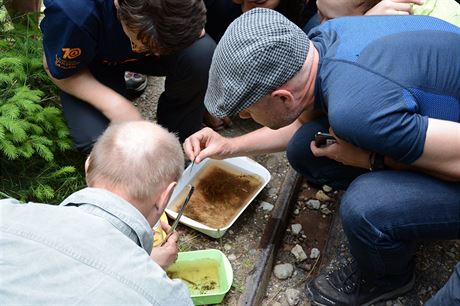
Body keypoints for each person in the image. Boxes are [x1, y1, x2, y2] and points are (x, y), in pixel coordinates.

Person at [183, 8, 460, 305]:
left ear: (282, 97)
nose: (244, 115)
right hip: (436, 119)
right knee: (307, 147)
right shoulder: (322, 41)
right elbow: (300, 121)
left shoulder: (357, 109)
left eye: (248, 110)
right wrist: (229, 146)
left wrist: (371, 160)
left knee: (365, 205)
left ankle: (387, 278)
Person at [0, 121, 192, 305]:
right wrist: (146, 273)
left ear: (87, 164)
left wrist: (144, 266)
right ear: (164, 196)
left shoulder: (5, 214)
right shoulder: (165, 298)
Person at [40, 0, 216, 153]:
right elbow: (57, 68)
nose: (156, 53)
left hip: (138, 44)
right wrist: (117, 106)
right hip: (90, 61)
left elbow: (197, 32)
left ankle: (179, 139)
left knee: (201, 54)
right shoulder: (74, 11)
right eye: (144, 44)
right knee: (101, 140)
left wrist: (207, 96)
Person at [316, 0, 460, 27]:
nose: (320, 27)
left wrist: (363, 28)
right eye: (319, 12)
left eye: (329, 19)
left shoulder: (441, 23)